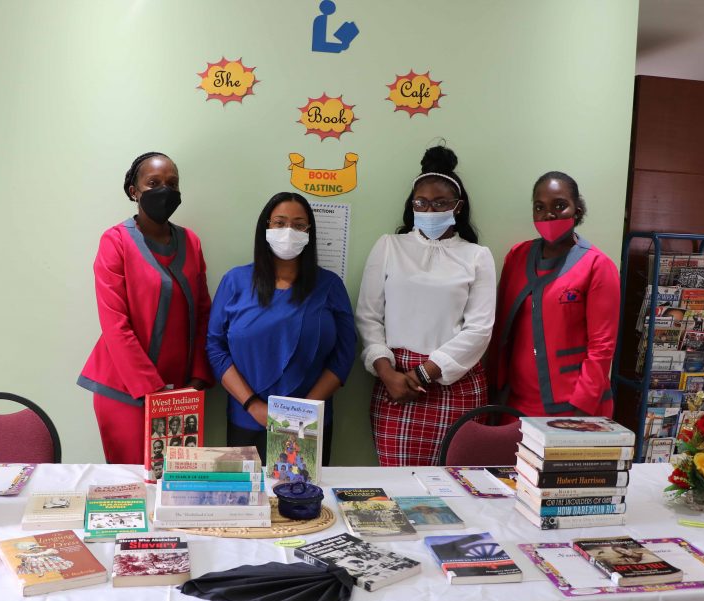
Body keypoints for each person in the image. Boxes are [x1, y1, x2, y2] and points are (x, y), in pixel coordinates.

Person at [356, 145, 495, 467]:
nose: (429, 210)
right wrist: (388, 372)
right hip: (395, 382)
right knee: (398, 487)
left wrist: (423, 373)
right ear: (412, 205)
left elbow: (479, 329)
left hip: (454, 383)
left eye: (439, 203)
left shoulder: (477, 256)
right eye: (421, 203)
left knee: (456, 486)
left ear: (457, 207)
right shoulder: (389, 246)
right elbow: (368, 317)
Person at [78, 152, 214, 465]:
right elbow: (115, 324)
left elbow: (204, 311)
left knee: (175, 488)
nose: (164, 190)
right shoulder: (115, 241)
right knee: (134, 488)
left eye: (172, 183)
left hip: (182, 394)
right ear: (134, 191)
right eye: (153, 183)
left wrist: (197, 377)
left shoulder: (190, 241)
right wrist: (152, 391)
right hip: (125, 392)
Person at [207, 192, 356, 465]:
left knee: (303, 501)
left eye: (299, 225)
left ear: (309, 233)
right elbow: (215, 348)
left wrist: (302, 413)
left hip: (309, 421)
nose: (289, 231)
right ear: (266, 227)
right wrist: (253, 405)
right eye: (280, 223)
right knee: (251, 503)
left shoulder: (330, 286)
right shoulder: (235, 281)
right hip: (248, 418)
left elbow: (344, 354)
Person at [487, 171, 620, 440]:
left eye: (560, 206)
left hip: (573, 408)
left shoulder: (597, 266)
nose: (549, 215)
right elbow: (500, 328)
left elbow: (602, 347)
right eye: (540, 207)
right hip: (513, 406)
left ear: (577, 209)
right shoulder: (517, 256)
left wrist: (580, 409)